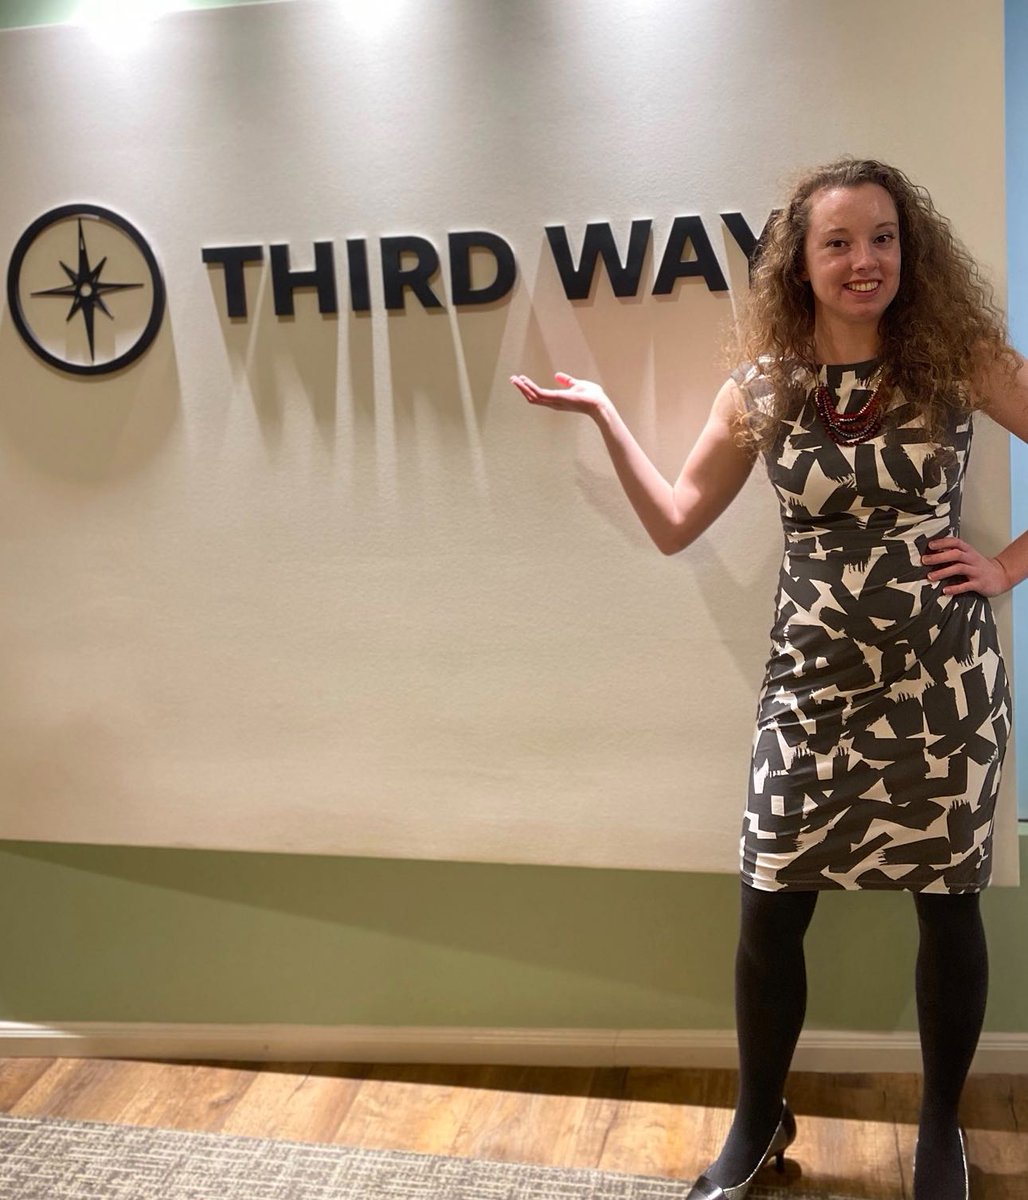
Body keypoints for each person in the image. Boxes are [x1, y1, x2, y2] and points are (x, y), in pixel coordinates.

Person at [510, 157, 1028, 1200]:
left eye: (882, 237)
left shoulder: (958, 362)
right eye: (838, 242)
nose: (863, 260)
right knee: (770, 900)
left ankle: (939, 1127)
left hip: (941, 690)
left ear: (908, 249)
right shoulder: (763, 390)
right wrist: (607, 414)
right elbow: (674, 523)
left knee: (946, 905)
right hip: (811, 688)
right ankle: (757, 1117)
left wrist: (1006, 567)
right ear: (799, 261)